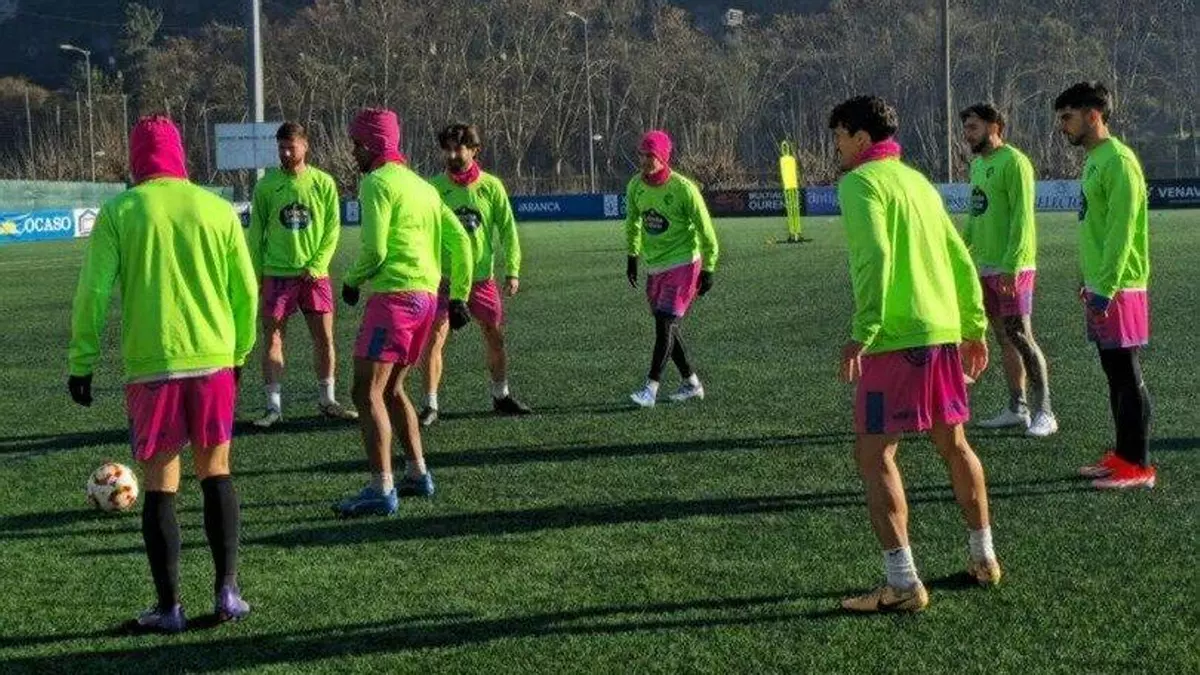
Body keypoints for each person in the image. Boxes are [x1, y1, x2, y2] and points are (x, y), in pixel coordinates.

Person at [67, 116, 257, 632]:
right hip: (214, 360)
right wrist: (239, 352)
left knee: (160, 485)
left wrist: (82, 361)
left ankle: (169, 607)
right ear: (179, 155)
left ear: (137, 159)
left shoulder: (121, 211)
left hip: (153, 366)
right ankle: (228, 593)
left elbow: (93, 293)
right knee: (216, 472)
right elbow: (246, 290)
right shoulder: (216, 209)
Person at [828, 96, 1001, 613]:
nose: (836, 147)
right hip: (942, 331)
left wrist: (865, 329)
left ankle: (902, 582)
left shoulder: (860, 183)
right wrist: (972, 326)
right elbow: (958, 255)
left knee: (875, 454)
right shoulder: (917, 182)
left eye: (839, 137)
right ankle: (984, 558)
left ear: (861, 138)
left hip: (896, 336)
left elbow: (875, 255)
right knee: (955, 445)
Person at [334, 108, 473, 517]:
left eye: (357, 144)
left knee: (366, 392)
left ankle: (381, 488)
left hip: (394, 297)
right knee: (393, 390)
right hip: (426, 300)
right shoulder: (423, 187)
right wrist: (459, 295)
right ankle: (417, 473)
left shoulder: (377, 183)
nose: (354, 153)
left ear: (372, 144)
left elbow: (376, 250)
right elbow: (462, 241)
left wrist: (352, 280)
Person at [1054, 82, 1156, 490]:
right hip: (1102, 285)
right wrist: (1089, 279)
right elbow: (1095, 227)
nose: (1063, 126)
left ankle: (1139, 466)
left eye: (1068, 117)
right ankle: (1122, 455)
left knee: (1127, 374)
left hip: (1121, 287)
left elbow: (1121, 232)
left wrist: (1107, 286)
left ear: (1093, 114)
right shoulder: (1095, 160)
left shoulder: (1119, 161)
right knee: (1114, 374)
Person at [420, 123, 531, 426]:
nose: (452, 155)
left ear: (474, 150)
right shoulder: (433, 188)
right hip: (443, 279)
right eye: (447, 149)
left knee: (495, 336)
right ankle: (430, 405)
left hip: (482, 280)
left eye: (458, 149)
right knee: (435, 339)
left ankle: (501, 396)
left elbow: (507, 230)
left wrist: (513, 270)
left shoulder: (491, 186)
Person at [247, 121, 357, 428]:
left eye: (290, 147)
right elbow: (255, 235)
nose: (285, 153)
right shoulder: (266, 186)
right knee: (273, 338)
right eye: (281, 147)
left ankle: (327, 400)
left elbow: (332, 228)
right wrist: (257, 275)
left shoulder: (323, 183)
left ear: (305, 146)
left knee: (324, 337)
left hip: (314, 276)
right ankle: (273, 408)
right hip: (277, 273)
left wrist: (317, 264)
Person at [960, 104, 1056, 437]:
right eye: (966, 128)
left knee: (1021, 335)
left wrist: (1012, 266)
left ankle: (1045, 412)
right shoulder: (977, 166)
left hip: (1012, 267)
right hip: (986, 266)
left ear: (994, 127)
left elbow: (1022, 218)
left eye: (973, 127)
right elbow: (975, 216)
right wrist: (962, 251)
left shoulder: (1015, 162)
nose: (967, 134)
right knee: (1004, 338)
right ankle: (1018, 408)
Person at [624, 130, 719, 408]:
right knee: (668, 328)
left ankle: (650, 389)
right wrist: (632, 256)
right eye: (642, 155)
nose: (644, 160)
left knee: (664, 324)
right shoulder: (635, 186)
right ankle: (692, 383)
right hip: (655, 266)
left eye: (650, 155)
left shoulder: (683, 189)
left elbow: (706, 229)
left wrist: (709, 267)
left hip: (684, 263)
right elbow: (633, 222)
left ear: (663, 157)